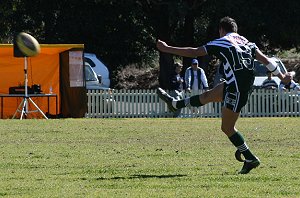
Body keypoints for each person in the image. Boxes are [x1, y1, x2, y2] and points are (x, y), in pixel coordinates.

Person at [156, 16, 292, 174]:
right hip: (241, 83)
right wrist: (283, 78)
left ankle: (250, 158)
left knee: (227, 127)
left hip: (237, 87)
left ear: (221, 30)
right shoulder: (247, 42)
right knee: (208, 96)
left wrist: (167, 48)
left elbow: (195, 52)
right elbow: (267, 61)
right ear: (235, 30)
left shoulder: (222, 41)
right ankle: (175, 104)